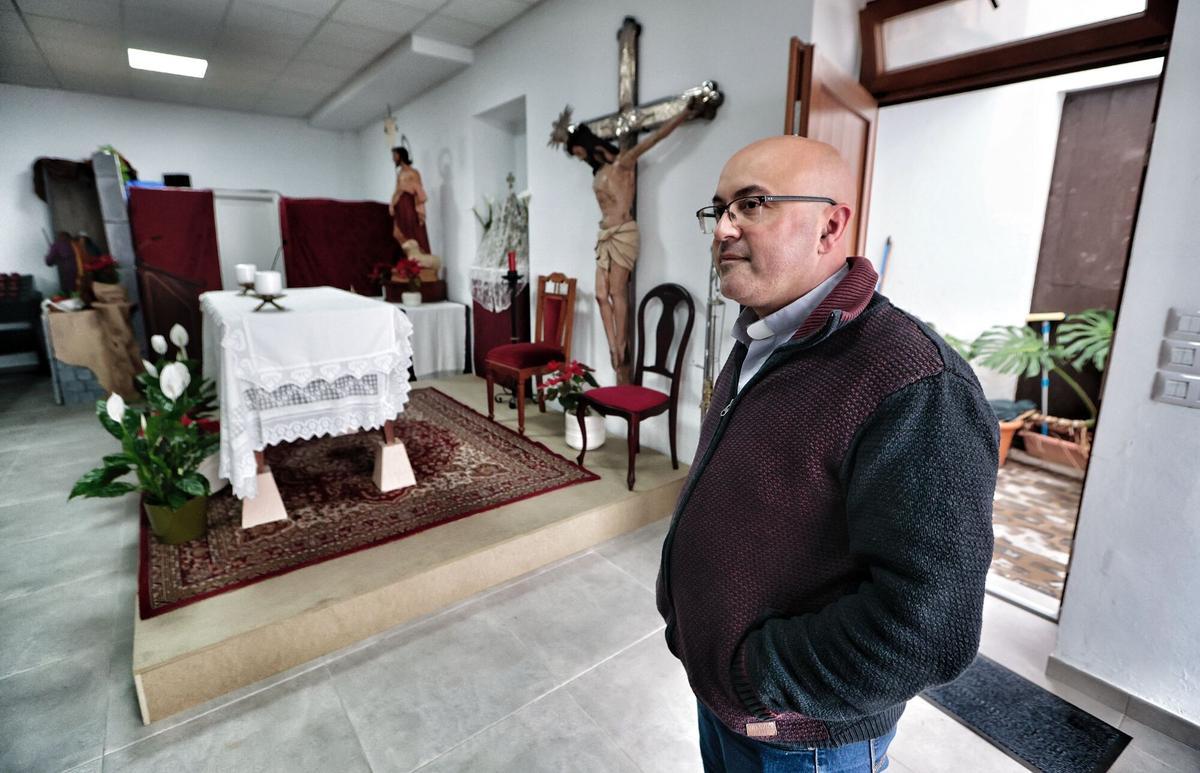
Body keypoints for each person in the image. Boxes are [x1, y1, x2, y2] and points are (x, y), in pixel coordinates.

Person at [657, 136, 998, 772]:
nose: (724, 228)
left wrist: (758, 677)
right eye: (718, 209)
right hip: (725, 697)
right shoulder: (763, 334)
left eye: (752, 203)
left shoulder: (915, 381)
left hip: (805, 738)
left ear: (829, 226)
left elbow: (929, 627)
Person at [560, 104, 696, 376]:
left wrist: (683, 115)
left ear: (583, 144)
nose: (577, 156)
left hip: (624, 233)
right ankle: (613, 344)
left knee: (616, 292)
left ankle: (621, 346)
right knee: (601, 295)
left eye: (576, 151)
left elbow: (655, 139)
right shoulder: (598, 172)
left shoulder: (623, 163)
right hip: (605, 234)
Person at [389, 145, 430, 253]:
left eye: (394, 155)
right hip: (400, 207)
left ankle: (419, 258)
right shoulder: (400, 173)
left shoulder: (413, 172)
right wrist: (392, 204)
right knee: (398, 233)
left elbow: (419, 191)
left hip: (409, 206)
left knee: (412, 233)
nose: (393, 158)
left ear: (401, 156)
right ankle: (409, 259)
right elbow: (397, 190)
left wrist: (418, 209)